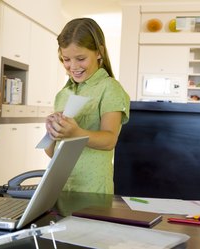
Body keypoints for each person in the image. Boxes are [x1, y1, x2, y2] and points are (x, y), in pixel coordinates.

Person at [45, 18, 130, 194]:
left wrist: (76, 133)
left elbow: (109, 140)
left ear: (99, 52)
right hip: (61, 188)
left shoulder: (109, 88)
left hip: (92, 191)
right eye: (66, 59)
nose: (73, 66)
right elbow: (52, 153)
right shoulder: (63, 94)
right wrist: (51, 132)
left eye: (81, 58)